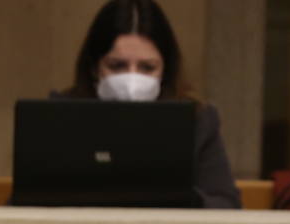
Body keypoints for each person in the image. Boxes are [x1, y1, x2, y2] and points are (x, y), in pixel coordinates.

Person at [62, 0, 240, 209]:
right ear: (94, 67)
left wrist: (177, 194)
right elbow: (23, 202)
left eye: (147, 67)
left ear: (165, 70)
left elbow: (226, 206)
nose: (131, 78)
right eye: (117, 66)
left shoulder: (198, 120)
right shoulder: (59, 118)